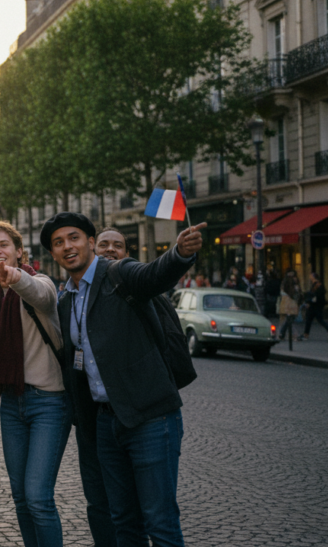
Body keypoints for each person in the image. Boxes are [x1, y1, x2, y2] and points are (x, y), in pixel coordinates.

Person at [43, 212, 206, 547]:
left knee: (159, 522)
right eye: (58, 243)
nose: (66, 247)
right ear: (53, 254)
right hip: (105, 422)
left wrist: (179, 254)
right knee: (124, 524)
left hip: (149, 416)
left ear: (90, 242)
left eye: (73, 238)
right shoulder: (66, 299)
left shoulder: (119, 273)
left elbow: (154, 275)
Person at [0, 222, 73, 547]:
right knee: (20, 497)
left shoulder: (40, 282)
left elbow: (43, 295)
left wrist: (16, 278)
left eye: (3, 245)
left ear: (19, 251)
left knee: (37, 496)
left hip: (48, 401)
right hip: (11, 403)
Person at [299, 272, 328, 341]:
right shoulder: (317, 284)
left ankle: (306, 335)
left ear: (314, 277)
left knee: (312, 320)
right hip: (316, 306)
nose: (310, 277)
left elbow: (315, 296)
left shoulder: (317, 285)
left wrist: (309, 302)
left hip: (315, 306)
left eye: (311, 276)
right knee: (316, 320)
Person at [277, 270, 301, 341]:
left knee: (285, 320)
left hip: (285, 303)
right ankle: (285, 334)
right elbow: (293, 294)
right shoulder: (290, 284)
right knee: (288, 320)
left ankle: (281, 334)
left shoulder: (284, 283)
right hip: (290, 303)